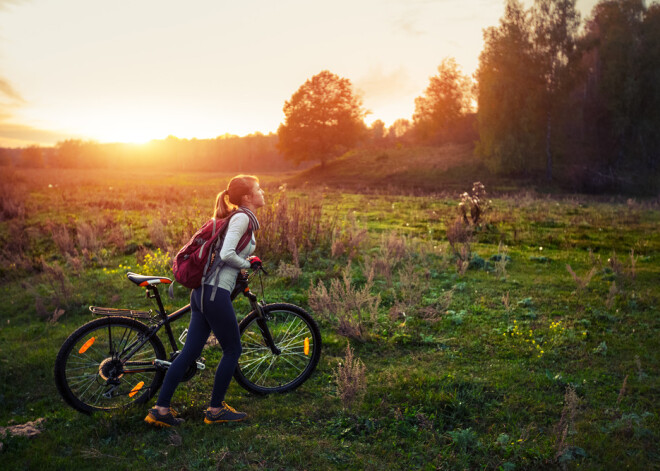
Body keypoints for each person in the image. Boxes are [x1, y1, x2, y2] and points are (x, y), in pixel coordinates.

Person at [145, 175, 265, 427]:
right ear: (247, 197)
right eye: (258, 189)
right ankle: (215, 409)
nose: (262, 192)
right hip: (213, 293)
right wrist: (248, 263)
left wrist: (239, 269)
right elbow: (227, 253)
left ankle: (160, 410)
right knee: (233, 349)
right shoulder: (242, 218)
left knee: (189, 353)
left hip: (203, 292)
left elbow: (223, 256)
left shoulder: (238, 218)